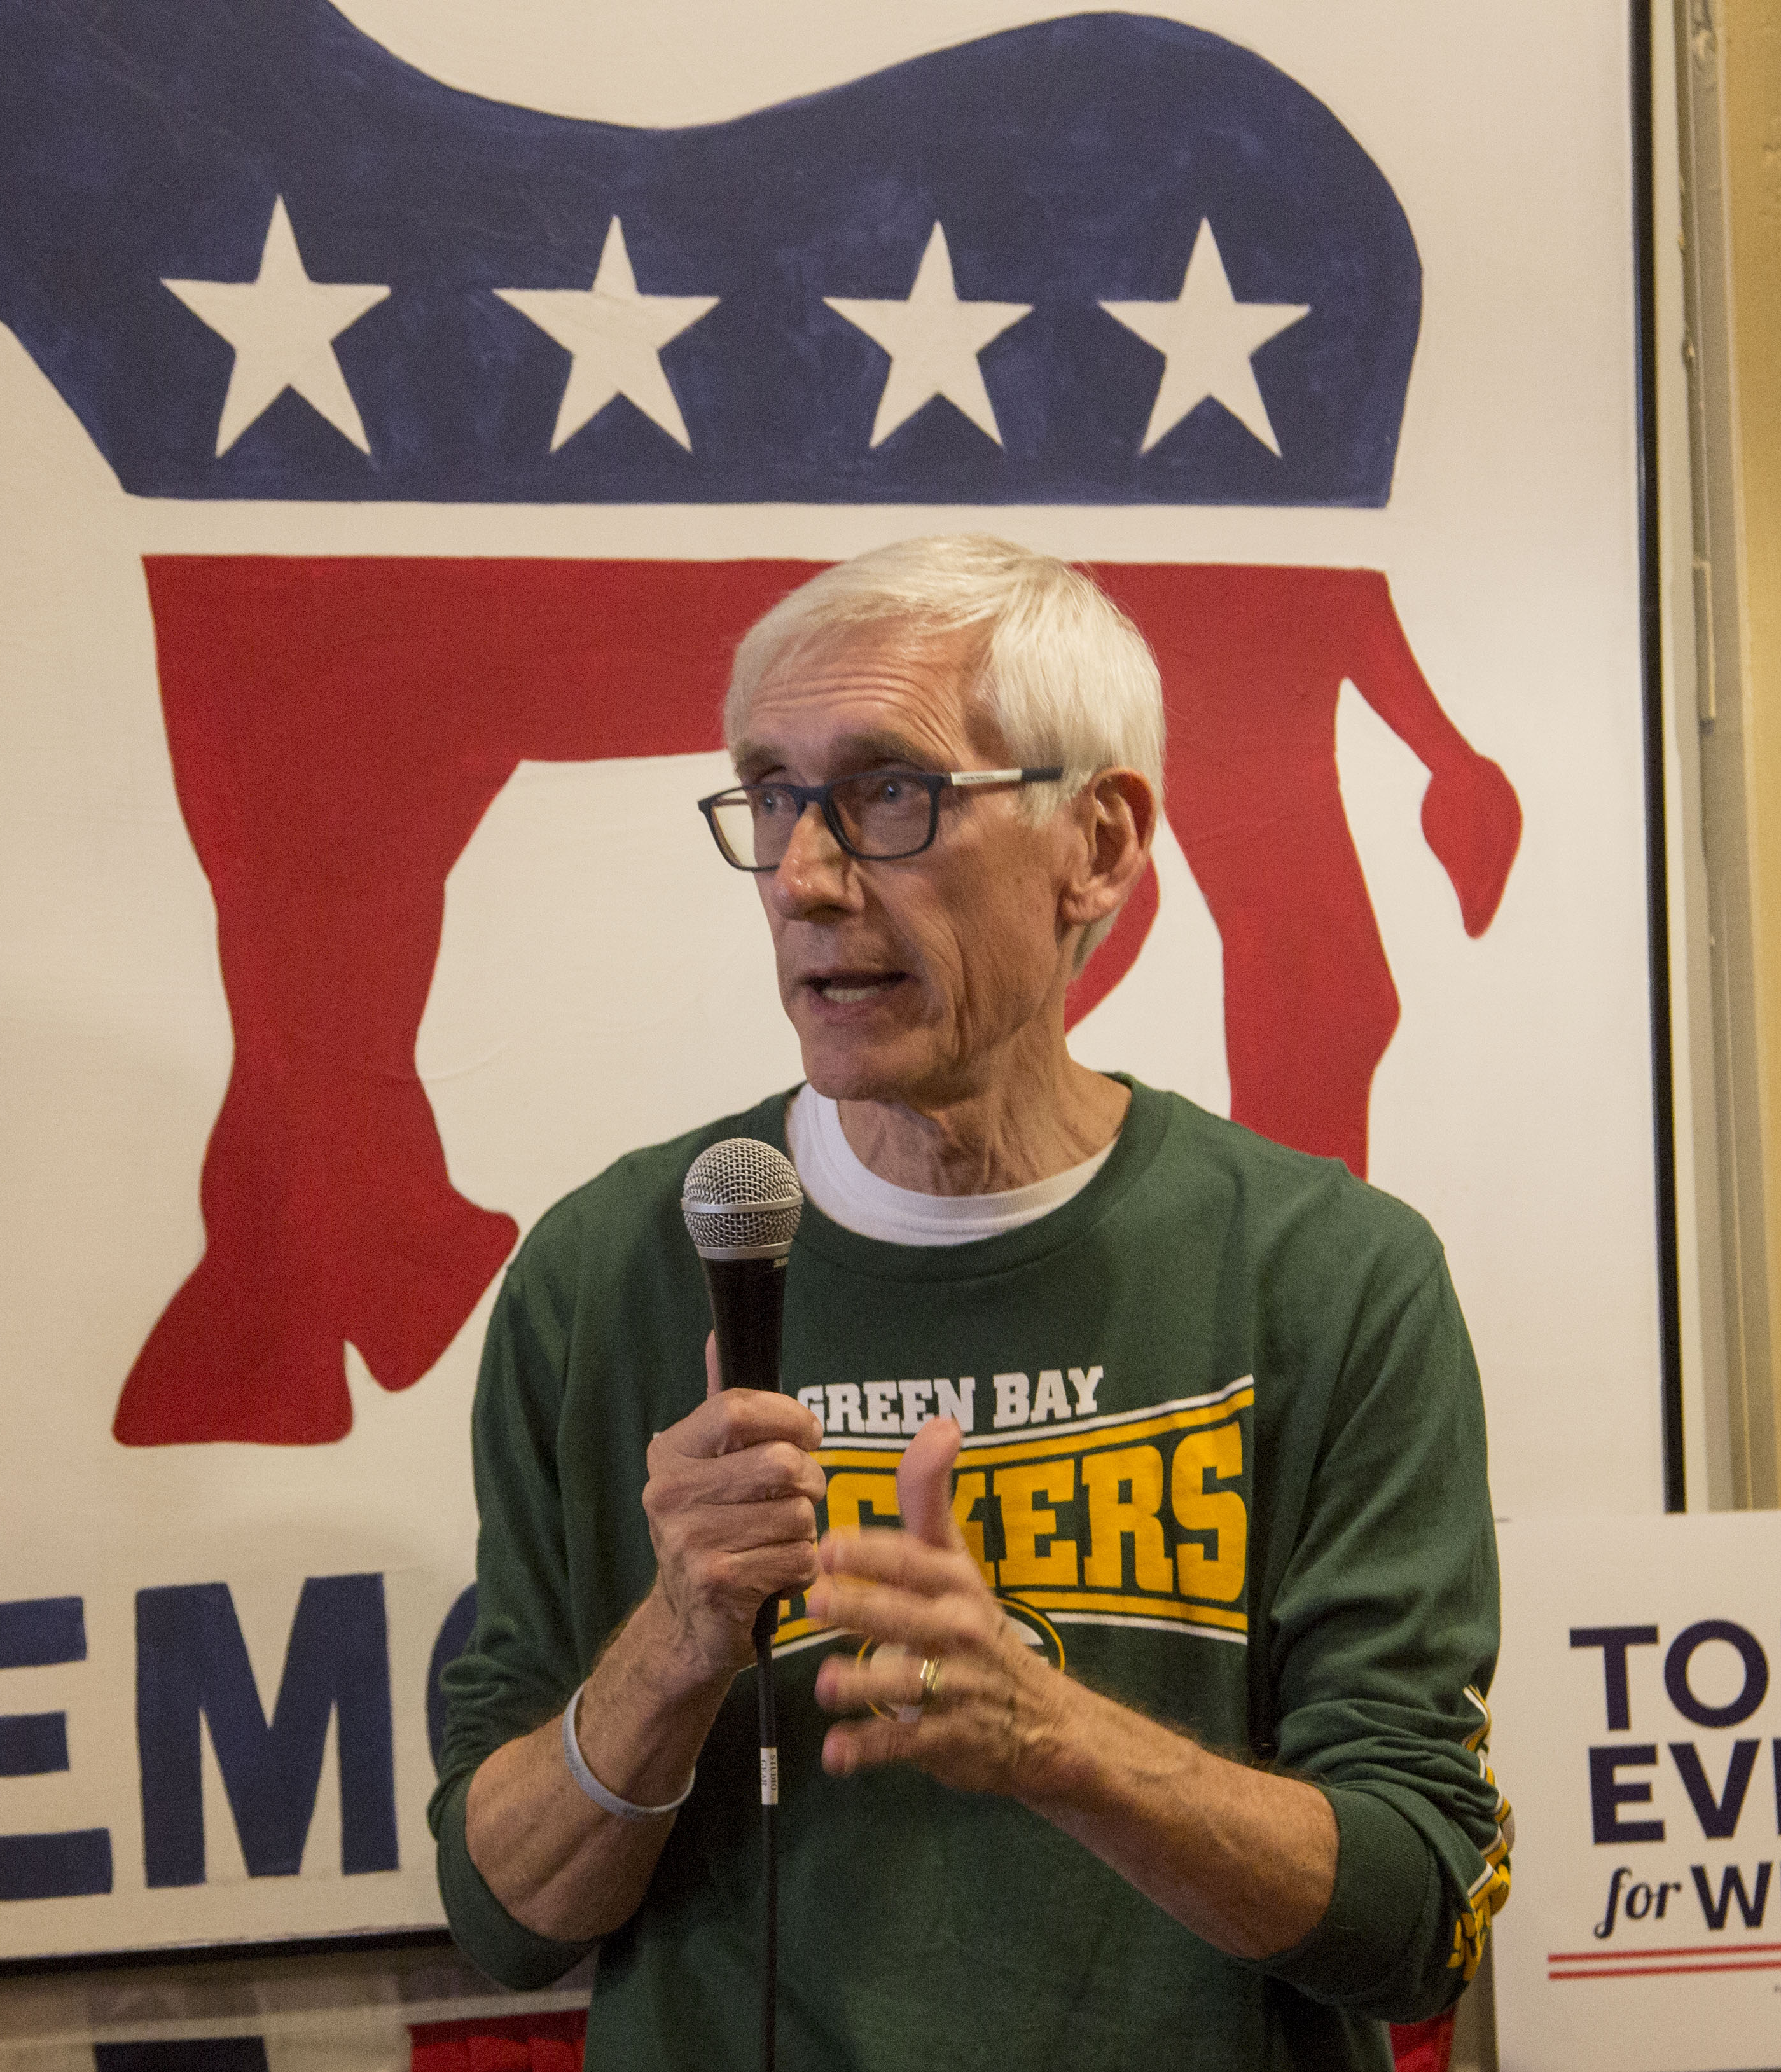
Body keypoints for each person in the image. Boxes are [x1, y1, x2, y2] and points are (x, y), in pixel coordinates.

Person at [430, 536, 1507, 2069]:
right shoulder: (609, 1271)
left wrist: (1057, 1745)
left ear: (1101, 844)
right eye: (774, 798)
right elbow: (506, 1912)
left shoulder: (1327, 1277)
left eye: (888, 794)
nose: (805, 877)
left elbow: (1421, 1915)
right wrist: (676, 1643)